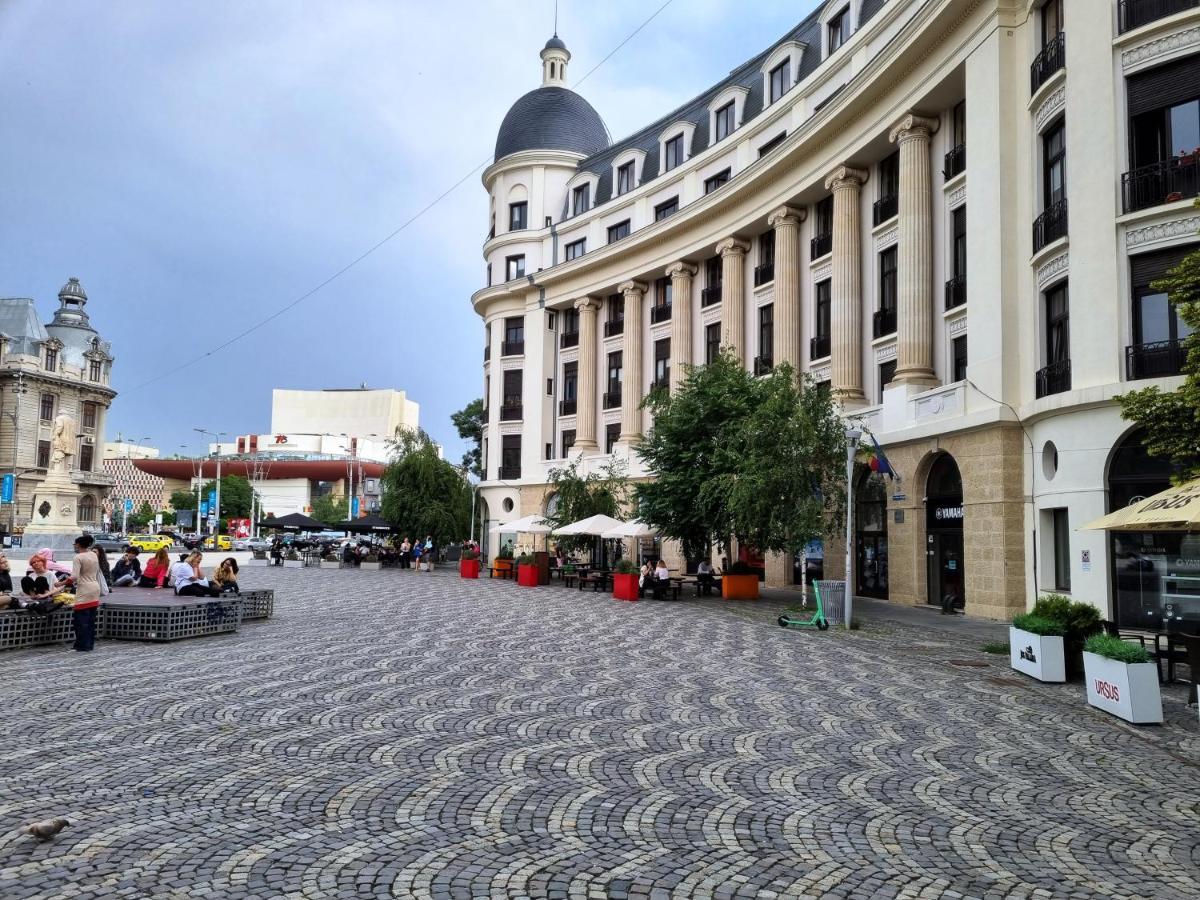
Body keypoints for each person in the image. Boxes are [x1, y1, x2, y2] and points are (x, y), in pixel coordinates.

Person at [71, 534, 102, 652]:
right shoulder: (93, 555)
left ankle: (81, 645)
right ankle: (89, 644)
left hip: (84, 589)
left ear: (78, 545)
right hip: (95, 587)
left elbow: (74, 576)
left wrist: (62, 583)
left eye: (75, 544)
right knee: (90, 620)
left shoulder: (78, 557)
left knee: (80, 620)